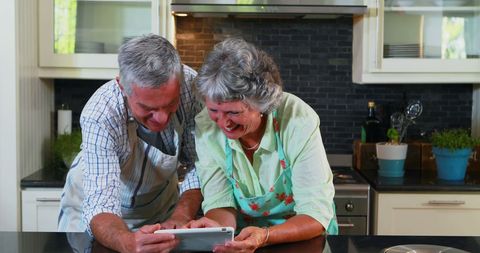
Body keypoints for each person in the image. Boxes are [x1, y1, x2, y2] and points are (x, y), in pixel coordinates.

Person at [187, 38, 338, 252]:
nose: (223, 123)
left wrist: (265, 236)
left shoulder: (297, 118)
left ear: (261, 102)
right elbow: (220, 201)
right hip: (243, 243)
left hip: (304, 240)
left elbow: (314, 214)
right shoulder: (206, 126)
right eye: (214, 111)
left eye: (234, 112)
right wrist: (216, 228)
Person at [58, 34, 203, 253]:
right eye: (148, 108)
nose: (162, 118)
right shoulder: (100, 113)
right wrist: (127, 241)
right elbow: (101, 204)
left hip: (163, 207)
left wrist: (181, 216)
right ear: (122, 87)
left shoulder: (191, 87)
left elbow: (199, 164)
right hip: (98, 217)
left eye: (170, 103)